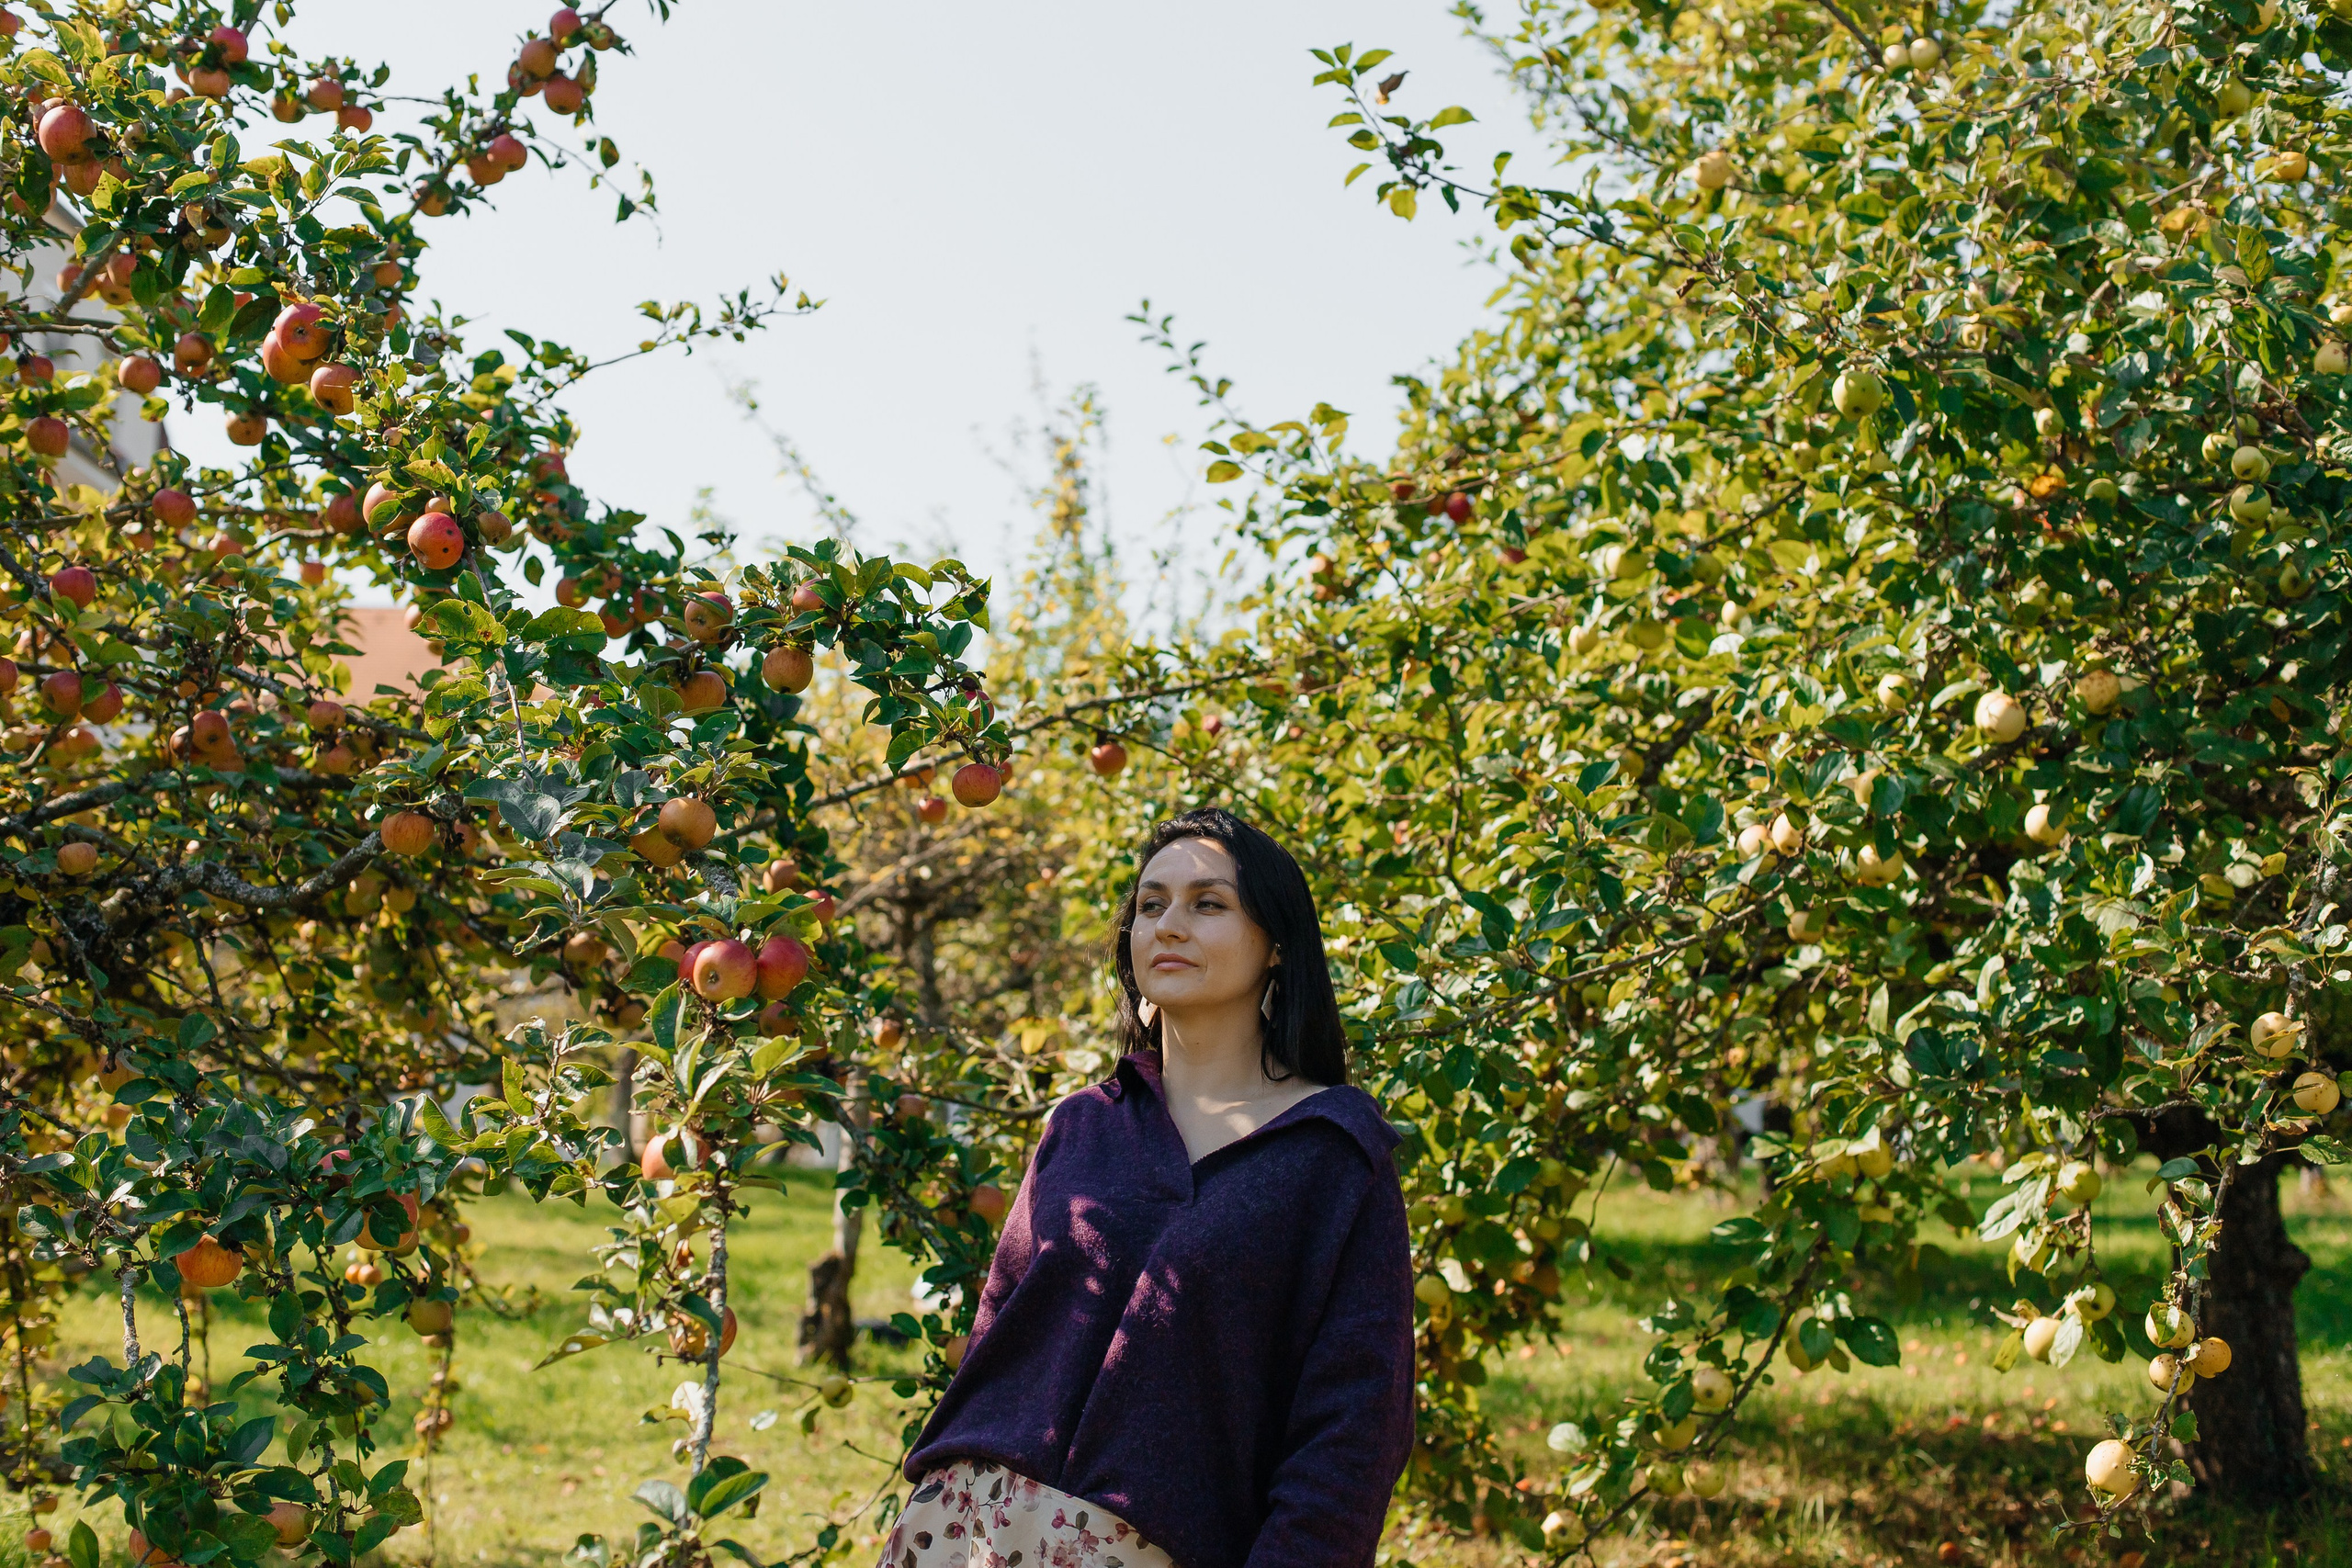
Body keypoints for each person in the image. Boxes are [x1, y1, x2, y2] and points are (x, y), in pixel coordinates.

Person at [888, 807, 1415, 1568]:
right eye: (1150, 903)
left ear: (1277, 945)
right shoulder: (1082, 1125)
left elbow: (1352, 1433)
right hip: (963, 1528)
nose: (1169, 924)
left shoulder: (1333, 1156)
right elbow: (996, 1327)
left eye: (1209, 903)